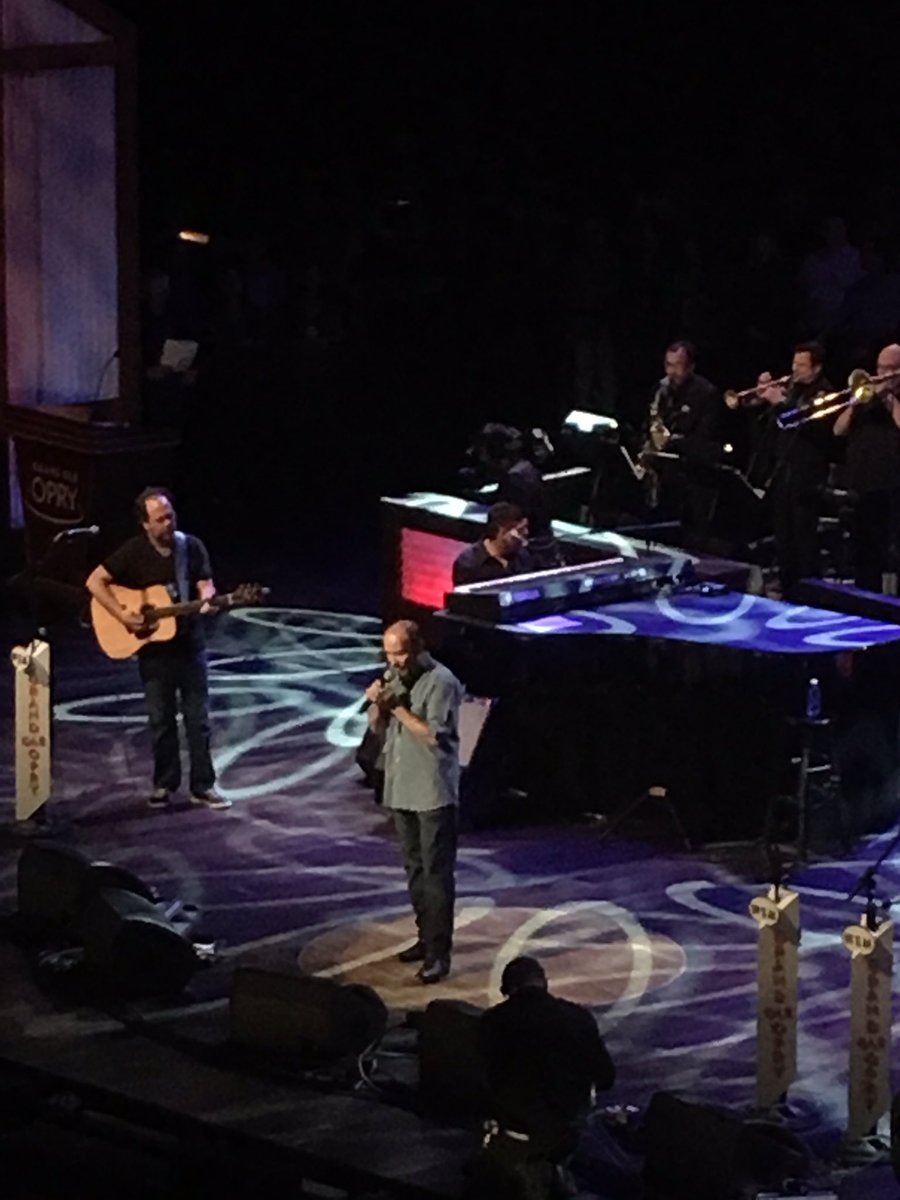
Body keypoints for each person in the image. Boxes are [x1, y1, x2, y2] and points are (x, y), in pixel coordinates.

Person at [85, 488, 228, 810]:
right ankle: (164, 783)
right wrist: (122, 614)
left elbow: (205, 583)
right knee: (161, 720)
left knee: (198, 720)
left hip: (190, 646)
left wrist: (209, 599)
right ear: (145, 524)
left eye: (170, 516)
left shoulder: (190, 547)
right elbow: (94, 581)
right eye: (160, 519)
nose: (167, 523)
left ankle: (203, 786)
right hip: (155, 653)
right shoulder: (133, 552)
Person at [365, 620, 464, 984]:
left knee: (436, 875)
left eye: (400, 654)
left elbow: (434, 735)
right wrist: (376, 704)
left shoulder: (442, 681)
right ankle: (425, 937)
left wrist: (398, 708)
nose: (394, 662)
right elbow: (377, 728)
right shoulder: (394, 677)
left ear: (418, 648)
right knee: (414, 869)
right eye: (388, 655)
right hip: (402, 787)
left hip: (432, 791)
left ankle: (439, 954)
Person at [473, 956, 616, 1197]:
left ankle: (519, 1163)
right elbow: (606, 1077)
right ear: (545, 983)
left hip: (515, 1121)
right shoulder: (578, 1017)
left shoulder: (493, 1021)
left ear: (508, 990)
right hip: (566, 1123)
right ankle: (552, 1164)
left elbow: (480, 1076)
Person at [756, 342, 834, 597]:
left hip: (807, 475)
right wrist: (764, 397)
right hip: (783, 471)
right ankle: (787, 588)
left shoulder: (824, 392)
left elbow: (805, 422)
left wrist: (780, 402)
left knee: (803, 538)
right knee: (783, 536)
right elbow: (775, 424)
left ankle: (808, 592)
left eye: (801, 365)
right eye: (794, 363)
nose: (794, 369)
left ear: (816, 368)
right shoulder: (793, 388)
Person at [834, 343, 900, 592]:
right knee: (863, 553)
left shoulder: (893, 400)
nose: (883, 374)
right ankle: (864, 599)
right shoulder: (865, 399)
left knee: (889, 551)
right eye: (880, 367)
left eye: (890, 368)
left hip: (892, 486)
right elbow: (838, 430)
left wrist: (890, 399)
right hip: (861, 485)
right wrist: (854, 403)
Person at [452, 502, 533, 586]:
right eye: (520, 530)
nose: (526, 532)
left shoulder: (523, 556)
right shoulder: (469, 564)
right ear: (501, 531)